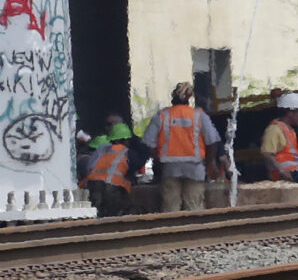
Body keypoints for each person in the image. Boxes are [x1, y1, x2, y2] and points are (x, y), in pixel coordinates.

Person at [143, 82, 225, 212]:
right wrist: (209, 163)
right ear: (189, 98)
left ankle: (173, 231)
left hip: (170, 168)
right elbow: (212, 141)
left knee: (171, 207)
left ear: (173, 97)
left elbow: (149, 142)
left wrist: (158, 161)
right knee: (194, 206)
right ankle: (194, 231)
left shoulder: (162, 116)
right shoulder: (199, 115)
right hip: (195, 167)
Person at [259, 92, 298, 191]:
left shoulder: (290, 130)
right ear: (290, 113)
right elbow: (267, 153)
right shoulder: (274, 129)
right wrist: (282, 172)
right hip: (289, 173)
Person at [83, 122, 136, 215]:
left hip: (92, 186)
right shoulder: (127, 152)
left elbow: (89, 167)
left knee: (95, 215)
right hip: (113, 189)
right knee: (112, 216)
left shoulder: (101, 149)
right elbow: (132, 170)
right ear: (125, 140)